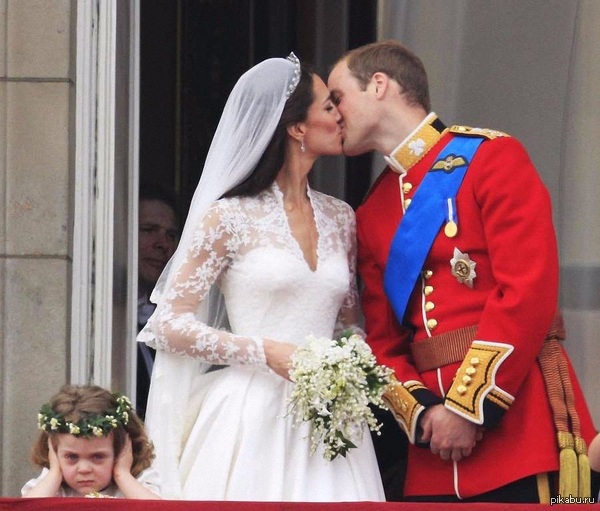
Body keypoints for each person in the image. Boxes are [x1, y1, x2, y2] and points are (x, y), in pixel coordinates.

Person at [328, 40, 597, 502]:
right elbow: (382, 342)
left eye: (338, 97)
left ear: (378, 85)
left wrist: (469, 409)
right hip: (432, 452)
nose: (332, 113)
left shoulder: (492, 157)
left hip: (519, 429)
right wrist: (425, 412)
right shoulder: (372, 211)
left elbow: (527, 293)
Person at [137, 53, 385, 501]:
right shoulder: (228, 217)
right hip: (250, 415)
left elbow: (348, 322)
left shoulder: (341, 217)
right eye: (328, 106)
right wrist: (264, 351)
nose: (340, 115)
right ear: (296, 128)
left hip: (331, 419)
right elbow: (169, 324)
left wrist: (351, 362)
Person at [22, 384, 161, 499]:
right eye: (71, 457)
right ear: (53, 452)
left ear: (122, 451)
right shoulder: (51, 487)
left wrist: (122, 474)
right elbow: (26, 508)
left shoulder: (138, 483)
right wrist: (55, 473)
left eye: (97, 457)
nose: (84, 469)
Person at [137, 182, 180, 419]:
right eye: (149, 229)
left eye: (170, 235)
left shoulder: (174, 319)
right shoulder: (99, 314)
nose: (162, 244)